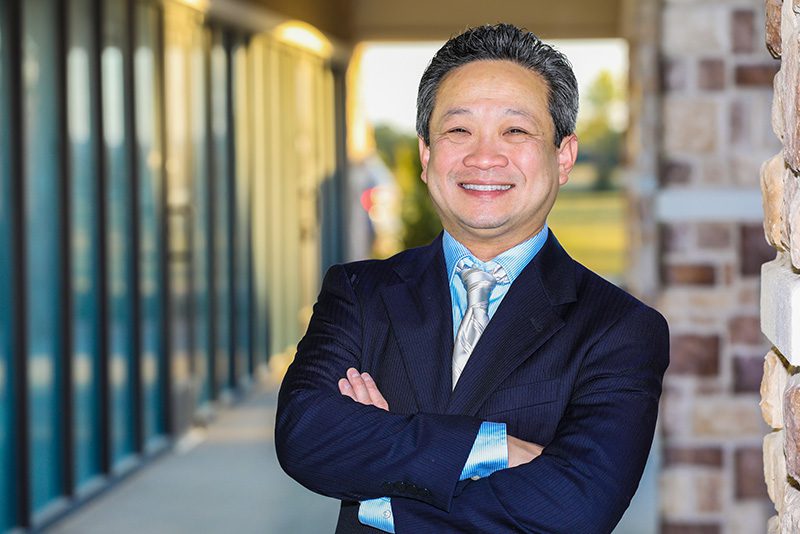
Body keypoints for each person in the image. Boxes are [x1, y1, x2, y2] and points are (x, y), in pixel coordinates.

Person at [275, 23, 669, 533]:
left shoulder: (619, 328)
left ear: (563, 156)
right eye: (458, 130)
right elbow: (305, 436)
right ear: (425, 155)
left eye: (516, 130)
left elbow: (576, 508)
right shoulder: (359, 294)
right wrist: (492, 447)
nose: (484, 157)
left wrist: (385, 494)